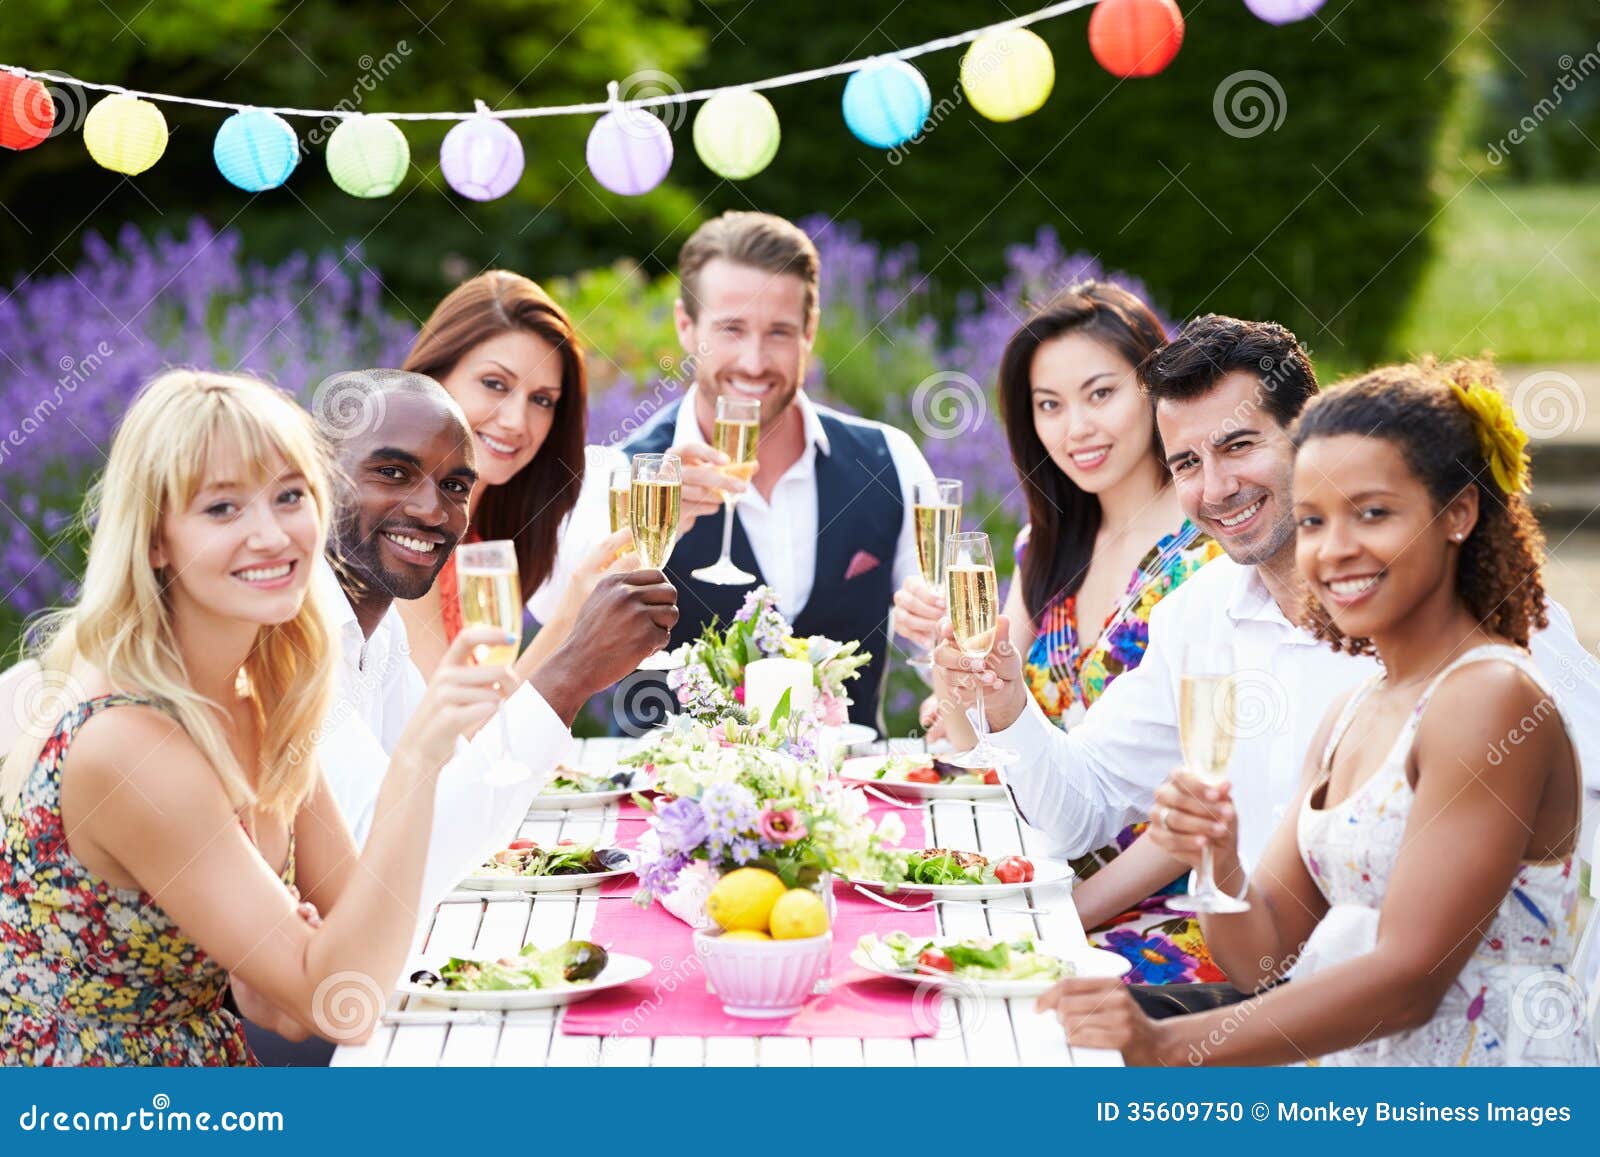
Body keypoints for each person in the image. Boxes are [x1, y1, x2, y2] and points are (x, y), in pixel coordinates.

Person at [932, 316, 1600, 1002]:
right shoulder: (1197, 615)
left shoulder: (1464, 610)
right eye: (1187, 463)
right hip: (1265, 976)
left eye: (1239, 445)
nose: (1216, 488)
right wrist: (1010, 707)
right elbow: (1083, 804)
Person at [0, 370, 505, 1064]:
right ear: (155, 541)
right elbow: (343, 996)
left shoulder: (262, 696)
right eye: (222, 509)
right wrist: (417, 761)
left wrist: (299, 967)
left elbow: (353, 952)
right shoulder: (128, 745)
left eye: (289, 497)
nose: (271, 535)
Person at [894, 282, 1223, 983]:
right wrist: (944, 651)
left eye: (1100, 393)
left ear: (1154, 387)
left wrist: (1067, 912)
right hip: (1037, 864)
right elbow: (972, 740)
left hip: (1165, 901)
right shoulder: (1043, 548)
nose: (1076, 427)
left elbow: (1208, 797)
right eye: (1050, 405)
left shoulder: (1210, 554)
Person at [618, 210, 936, 732]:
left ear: (810, 332)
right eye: (731, 329)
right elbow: (575, 649)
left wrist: (948, 654)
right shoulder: (624, 472)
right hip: (666, 804)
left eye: (779, 332)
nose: (754, 360)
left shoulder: (889, 461)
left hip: (851, 799)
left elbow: (937, 646)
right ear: (685, 326)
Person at [393, 271, 633, 679]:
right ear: (434, 377)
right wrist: (572, 618)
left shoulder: (479, 536)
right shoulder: (406, 525)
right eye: (495, 384)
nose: (516, 421)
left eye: (541, 400)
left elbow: (490, 710)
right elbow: (459, 727)